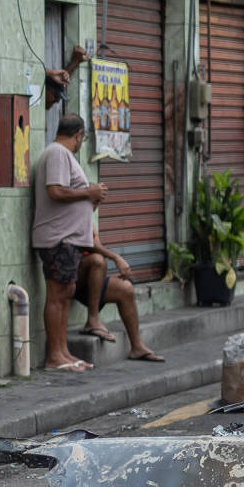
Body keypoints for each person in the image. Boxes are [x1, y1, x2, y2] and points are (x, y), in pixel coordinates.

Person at [30, 114, 104, 374]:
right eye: (82, 138)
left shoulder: (61, 155)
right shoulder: (58, 153)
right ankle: (54, 355)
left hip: (67, 240)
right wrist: (89, 192)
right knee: (57, 295)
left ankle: (63, 352)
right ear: (79, 135)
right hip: (58, 239)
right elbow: (56, 191)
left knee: (65, 293)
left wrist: (88, 200)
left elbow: (66, 194)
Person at [77, 229, 164, 363]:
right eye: (94, 205)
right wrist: (116, 257)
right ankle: (93, 321)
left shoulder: (89, 216)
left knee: (126, 289)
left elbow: (95, 244)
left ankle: (137, 347)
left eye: (98, 205)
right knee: (97, 260)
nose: (96, 206)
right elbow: (88, 244)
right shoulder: (76, 210)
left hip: (89, 281)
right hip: (70, 276)